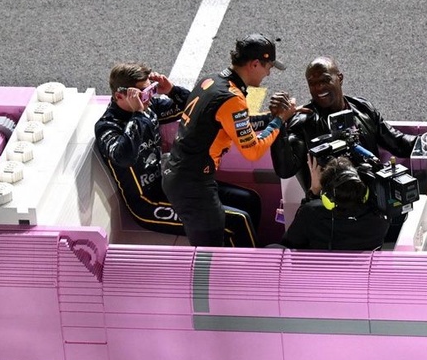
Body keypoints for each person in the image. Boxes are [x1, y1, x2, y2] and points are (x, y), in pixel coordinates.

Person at [94, 62, 261, 245]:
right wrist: (138, 115)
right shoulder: (107, 127)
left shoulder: (149, 107)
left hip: (173, 185)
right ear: (119, 96)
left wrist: (171, 90)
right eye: (143, 94)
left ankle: (252, 253)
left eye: (151, 90)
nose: (149, 98)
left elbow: (197, 108)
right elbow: (124, 157)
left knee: (250, 200)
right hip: (148, 203)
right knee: (237, 221)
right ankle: (247, 262)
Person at [162, 34, 299, 247]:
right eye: (268, 67)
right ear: (255, 64)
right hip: (193, 186)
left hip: (186, 177)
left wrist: (272, 118)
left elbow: (236, 124)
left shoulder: (211, 81)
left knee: (249, 201)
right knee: (210, 251)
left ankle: (247, 258)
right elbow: (253, 151)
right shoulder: (232, 98)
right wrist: (279, 121)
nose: (269, 73)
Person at [270, 56, 417, 194]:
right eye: (313, 83)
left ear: (340, 78)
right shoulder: (303, 122)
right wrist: (278, 121)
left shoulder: (363, 108)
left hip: (373, 200)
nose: (319, 87)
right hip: (329, 207)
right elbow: (285, 170)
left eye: (325, 80)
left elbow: (398, 144)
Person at [279, 155, 388, 251]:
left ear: (326, 197)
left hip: (320, 268)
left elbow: (289, 243)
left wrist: (313, 193)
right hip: (364, 268)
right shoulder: (380, 214)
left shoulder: (311, 212)